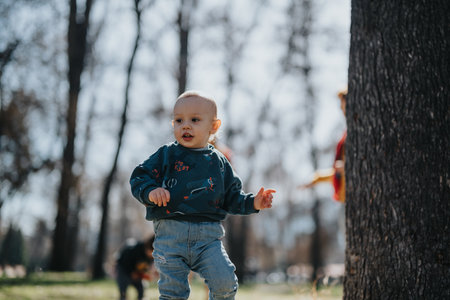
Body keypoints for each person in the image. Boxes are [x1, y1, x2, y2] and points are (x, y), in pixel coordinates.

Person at [129, 90, 275, 299]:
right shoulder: (166, 154)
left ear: (214, 126)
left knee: (225, 282)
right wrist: (151, 191)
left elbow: (232, 198)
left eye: (195, 120)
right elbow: (139, 177)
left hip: (208, 240)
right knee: (173, 293)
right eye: (179, 120)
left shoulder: (219, 163)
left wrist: (254, 202)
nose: (185, 126)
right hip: (170, 237)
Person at [298, 88, 347, 203]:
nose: (341, 109)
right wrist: (315, 179)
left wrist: (346, 167)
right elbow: (336, 172)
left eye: (343, 105)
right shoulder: (344, 136)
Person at [115, 236, 156, 300]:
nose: (151, 255)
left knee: (141, 288)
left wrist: (146, 273)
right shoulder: (136, 249)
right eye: (151, 252)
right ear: (147, 248)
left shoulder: (151, 256)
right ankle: (123, 297)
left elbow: (145, 267)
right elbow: (125, 261)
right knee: (123, 286)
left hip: (137, 272)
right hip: (124, 268)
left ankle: (141, 297)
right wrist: (131, 272)